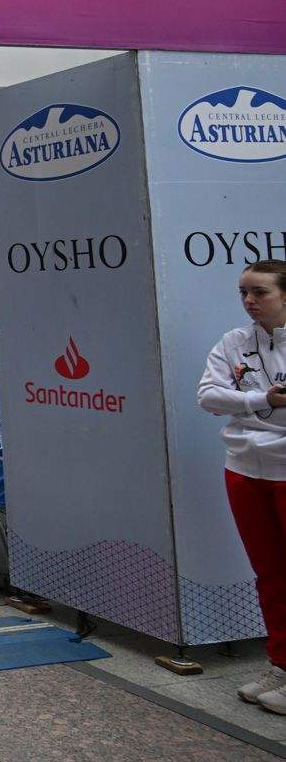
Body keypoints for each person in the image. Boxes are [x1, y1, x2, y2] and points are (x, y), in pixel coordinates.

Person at [198, 259, 286, 714]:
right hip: (245, 470)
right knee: (269, 574)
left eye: (260, 292)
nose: (249, 301)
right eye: (243, 293)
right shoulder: (233, 342)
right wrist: (260, 400)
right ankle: (280, 664)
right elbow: (208, 397)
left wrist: (246, 407)